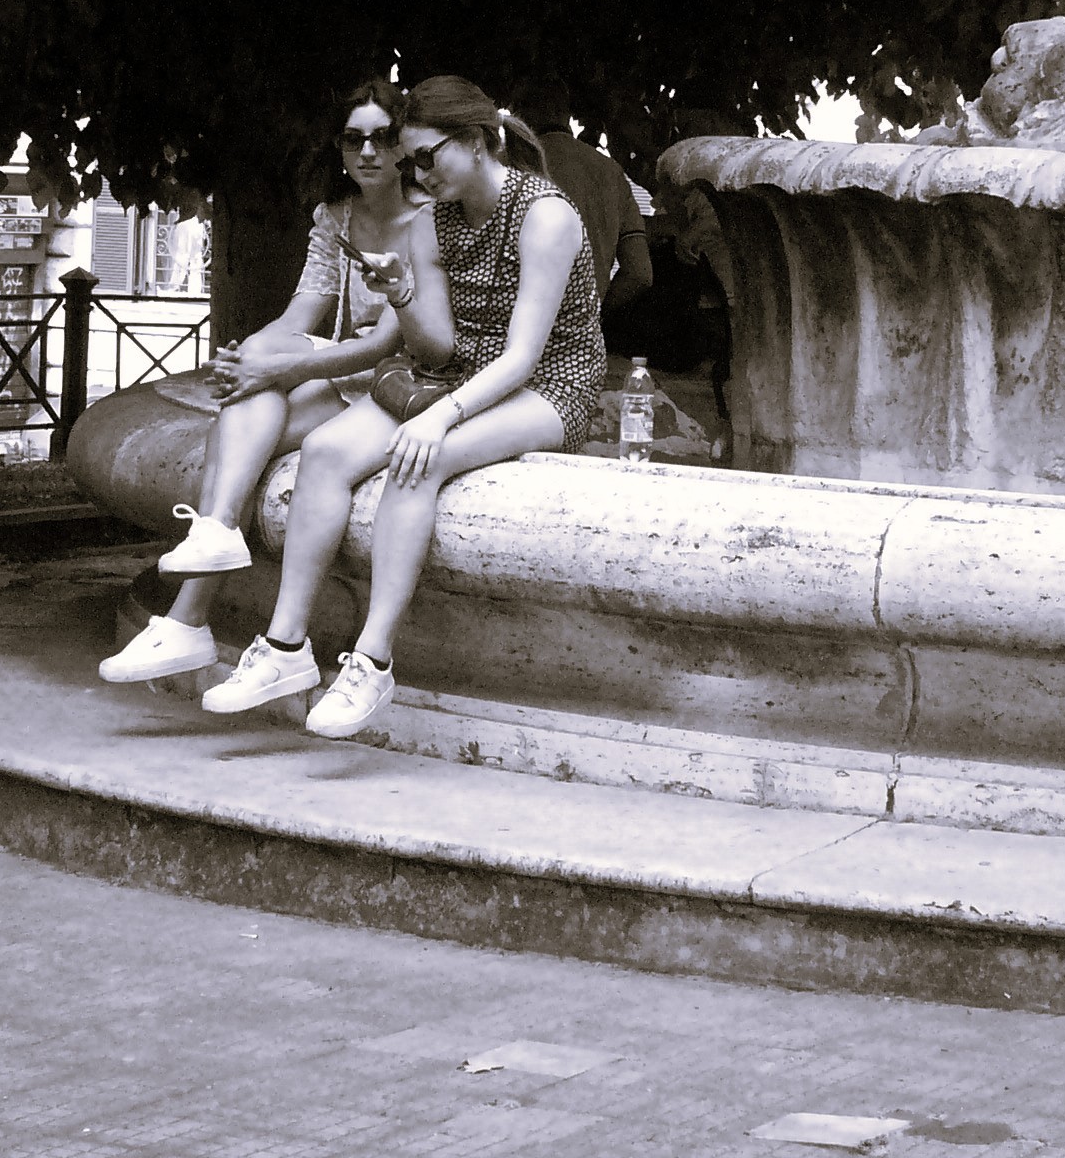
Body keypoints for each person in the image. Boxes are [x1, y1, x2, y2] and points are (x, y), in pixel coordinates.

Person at [199, 74, 606, 738]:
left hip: (548, 385)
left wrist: (439, 416)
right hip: (455, 375)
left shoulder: (545, 215)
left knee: (422, 457)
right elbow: (438, 346)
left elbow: (524, 357)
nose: (416, 171)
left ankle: (373, 659)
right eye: (410, 158)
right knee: (326, 451)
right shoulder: (430, 224)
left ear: (476, 142)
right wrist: (401, 294)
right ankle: (284, 647)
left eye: (427, 155)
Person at [97, 79, 452, 685]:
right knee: (248, 395)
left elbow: (383, 343)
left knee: (243, 420)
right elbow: (300, 315)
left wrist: (278, 367)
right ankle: (210, 550)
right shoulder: (335, 215)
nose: (366, 153)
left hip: (388, 378)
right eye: (352, 139)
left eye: (382, 138)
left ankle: (190, 616)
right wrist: (254, 356)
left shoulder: (429, 220)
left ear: (404, 146)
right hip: (336, 372)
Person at [509, 74, 652, 315]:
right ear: (565, 113)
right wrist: (594, 315)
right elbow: (640, 273)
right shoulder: (610, 172)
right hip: (582, 337)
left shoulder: (508, 167)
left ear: (522, 113)